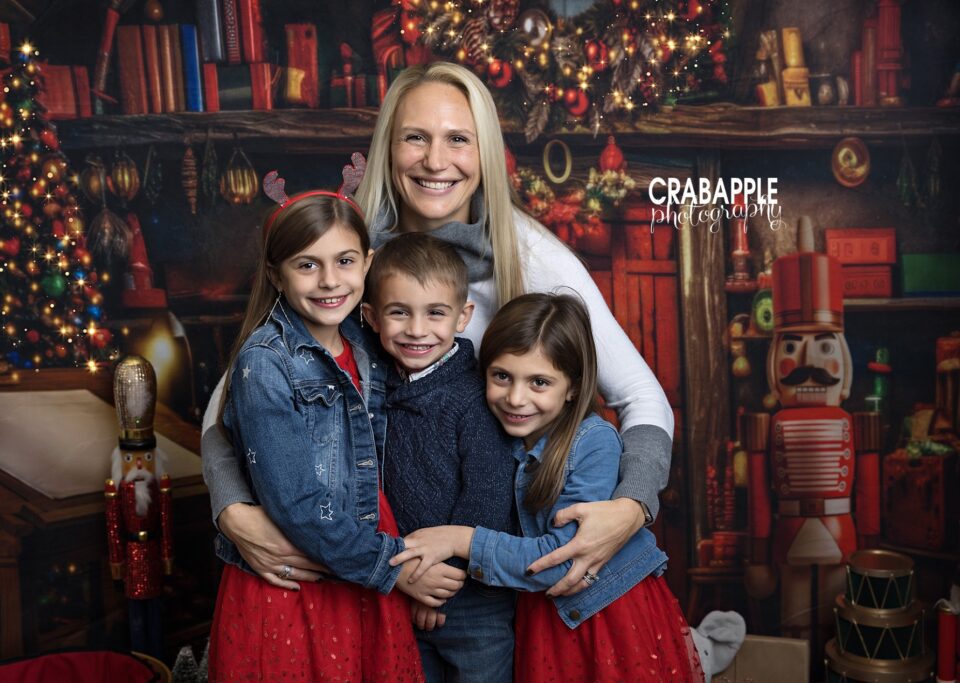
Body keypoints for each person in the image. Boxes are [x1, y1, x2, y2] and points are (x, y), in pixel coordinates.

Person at [202, 61, 674, 597]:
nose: (435, 160)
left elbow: (641, 395)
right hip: (373, 563)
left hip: (501, 567)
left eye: (458, 139)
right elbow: (233, 403)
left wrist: (631, 505)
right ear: (389, 148)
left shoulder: (530, 253)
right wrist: (233, 510)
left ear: (486, 154)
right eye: (415, 138)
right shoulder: (346, 258)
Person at [207, 192, 465, 680]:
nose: (329, 281)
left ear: (367, 263)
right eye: (307, 265)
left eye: (345, 261)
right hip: (307, 574)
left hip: (365, 553)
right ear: (276, 272)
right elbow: (297, 503)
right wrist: (398, 567)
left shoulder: (369, 339)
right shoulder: (265, 361)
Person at [391, 293, 704, 683]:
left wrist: (460, 541)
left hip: (604, 618)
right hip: (540, 616)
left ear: (573, 387)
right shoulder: (492, 432)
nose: (516, 398)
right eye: (501, 376)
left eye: (539, 382)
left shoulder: (593, 443)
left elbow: (563, 559)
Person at [360, 232, 518, 681]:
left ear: (463, 316)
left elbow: (488, 493)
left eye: (435, 313)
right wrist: (413, 583)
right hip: (402, 586)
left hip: (472, 601)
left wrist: (439, 582)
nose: (416, 329)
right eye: (398, 312)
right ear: (371, 317)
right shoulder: (371, 389)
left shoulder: (472, 396)